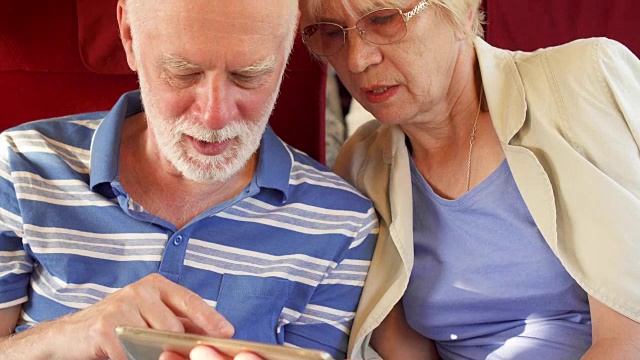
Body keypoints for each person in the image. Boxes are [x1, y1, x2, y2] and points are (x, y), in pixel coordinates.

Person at [0, 0, 378, 359]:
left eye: (248, 76)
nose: (215, 115)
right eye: (183, 72)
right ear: (129, 34)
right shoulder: (20, 165)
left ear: (288, 41)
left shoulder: (344, 225)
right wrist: (72, 334)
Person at [300, 0, 640, 359]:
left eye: (385, 20)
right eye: (331, 33)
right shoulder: (362, 164)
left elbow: (629, 337)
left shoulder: (580, 81)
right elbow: (401, 342)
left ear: (462, 13)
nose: (357, 60)